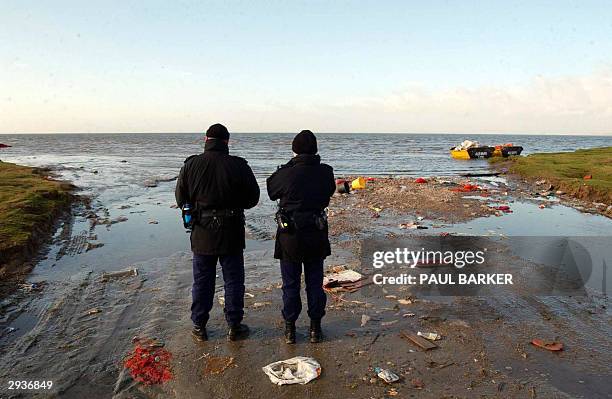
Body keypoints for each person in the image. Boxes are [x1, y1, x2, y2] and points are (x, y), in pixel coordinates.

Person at [175, 123, 260, 341]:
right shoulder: (238, 165)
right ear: (227, 142)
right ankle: (234, 325)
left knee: (202, 280)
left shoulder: (191, 165)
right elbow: (253, 199)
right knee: (233, 279)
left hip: (202, 231)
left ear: (206, 140)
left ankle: (199, 326)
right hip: (231, 230)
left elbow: (180, 198)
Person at [266, 130, 335, 344]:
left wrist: (290, 164)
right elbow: (330, 191)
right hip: (316, 231)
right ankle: (315, 329)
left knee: (291, 283)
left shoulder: (287, 173)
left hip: (290, 235)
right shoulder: (325, 172)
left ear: (294, 150)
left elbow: (271, 189)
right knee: (314, 282)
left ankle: (290, 330)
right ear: (315, 150)